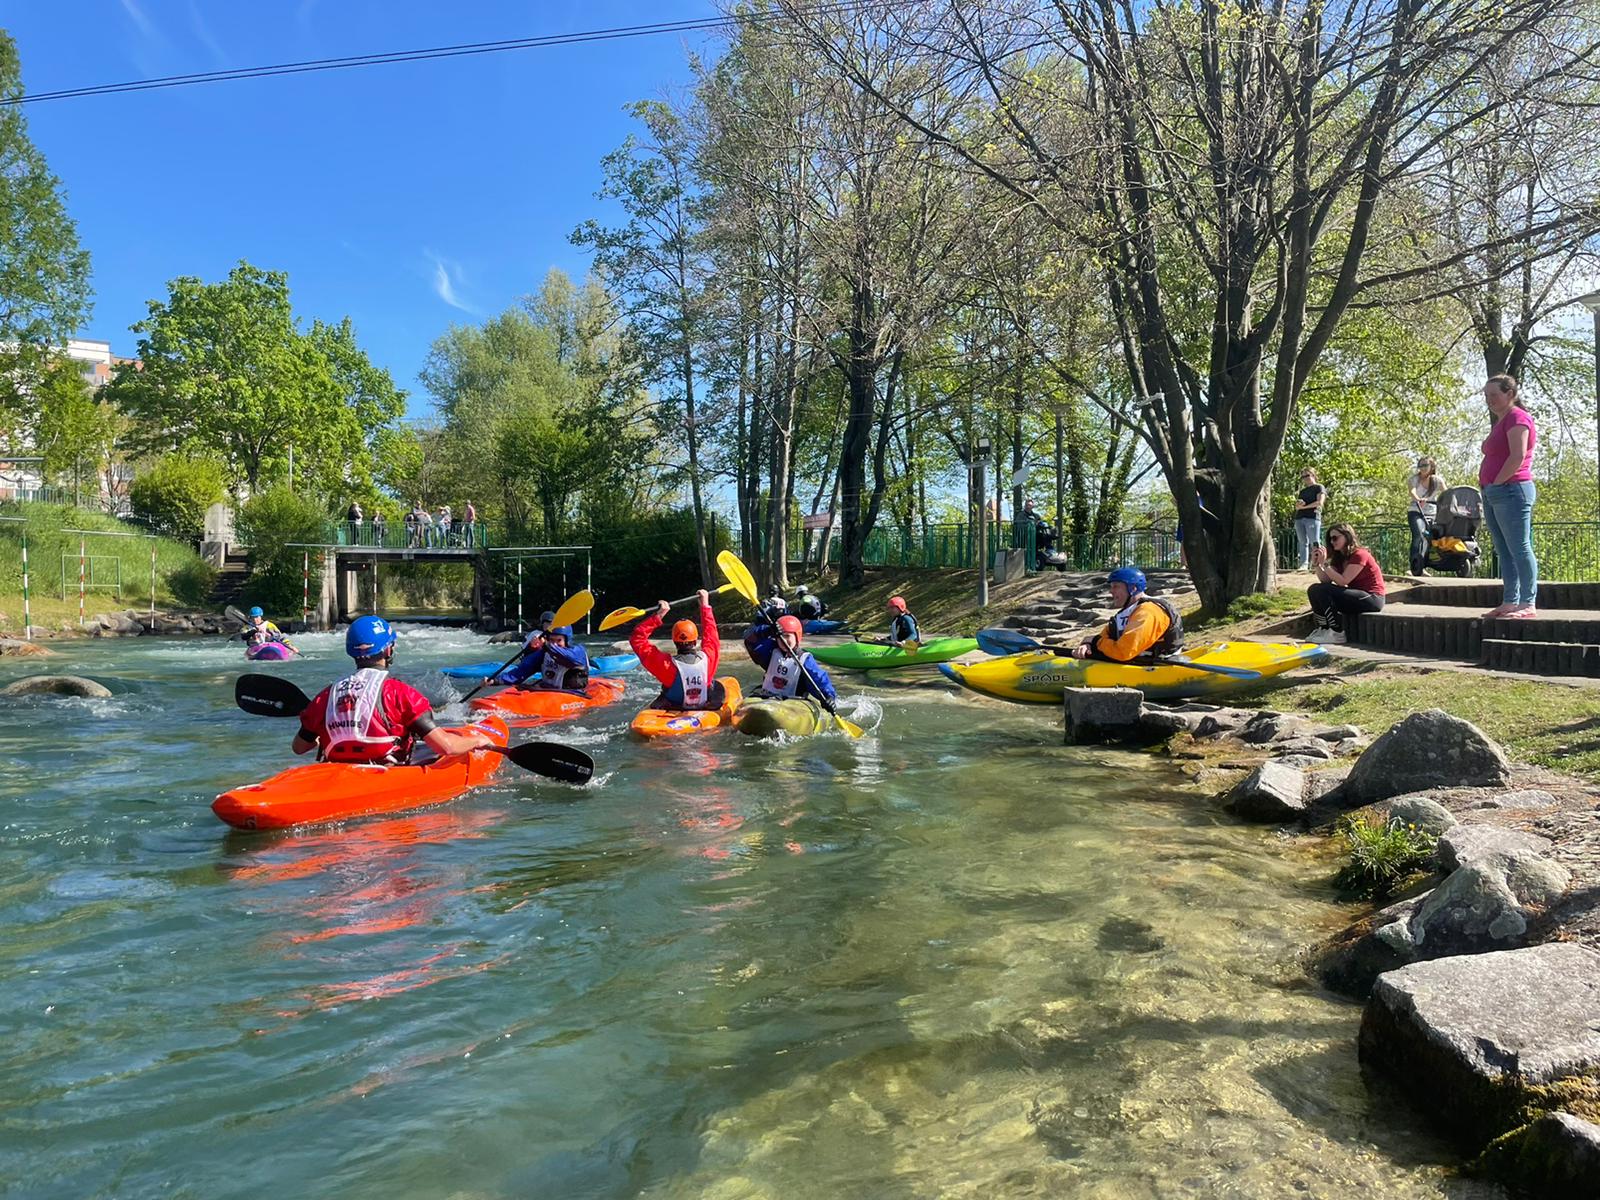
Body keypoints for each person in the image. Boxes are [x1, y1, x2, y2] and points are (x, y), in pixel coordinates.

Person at [293, 615, 493, 764]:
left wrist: (320, 739)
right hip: (386, 771)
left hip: (339, 771)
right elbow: (447, 747)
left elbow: (299, 747)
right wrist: (477, 740)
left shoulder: (326, 696)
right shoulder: (402, 694)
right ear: (388, 650)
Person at [1478, 374, 1538, 618]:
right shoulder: (1502, 421)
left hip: (1512, 490)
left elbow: (1518, 456)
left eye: (1494, 394)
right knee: (1503, 549)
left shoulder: (1517, 417)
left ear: (1510, 394)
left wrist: (1497, 483)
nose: (1489, 400)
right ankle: (1510, 600)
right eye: (1486, 395)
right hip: (1495, 491)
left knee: (1520, 547)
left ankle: (1527, 602)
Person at [629, 589, 724, 710]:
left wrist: (659, 615)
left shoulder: (665, 665)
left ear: (674, 641)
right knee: (717, 687)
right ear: (695, 640)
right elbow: (711, 633)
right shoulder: (709, 658)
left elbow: (636, 639)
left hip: (675, 707)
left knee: (665, 693)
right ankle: (711, 705)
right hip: (703, 706)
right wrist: (705, 605)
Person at [1071, 567, 1183, 662]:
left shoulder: (1149, 612)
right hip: (1137, 664)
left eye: (1116, 586)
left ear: (1133, 589)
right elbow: (1104, 638)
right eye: (1111, 587)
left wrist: (1095, 642)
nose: (1111, 591)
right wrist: (1089, 645)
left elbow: (1124, 652)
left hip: (1157, 667)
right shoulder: (1128, 612)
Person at [1307, 522, 1385, 645]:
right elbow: (1325, 580)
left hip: (1372, 598)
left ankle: (1337, 632)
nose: (1332, 542)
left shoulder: (1360, 554)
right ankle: (1324, 629)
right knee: (1314, 589)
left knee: (1323, 590)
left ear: (1347, 536)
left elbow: (1343, 581)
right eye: (1330, 539)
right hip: (1355, 597)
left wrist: (1325, 565)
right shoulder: (1340, 557)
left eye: (1335, 538)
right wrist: (1317, 564)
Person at [743, 612, 838, 704]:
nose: (783, 640)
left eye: (787, 636)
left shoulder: (804, 659)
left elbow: (819, 679)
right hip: (767, 697)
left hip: (793, 702)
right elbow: (749, 639)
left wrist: (829, 696)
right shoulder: (770, 651)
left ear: (797, 637)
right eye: (780, 637)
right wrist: (767, 630)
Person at [499, 619, 590, 692]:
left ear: (567, 641)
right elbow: (523, 670)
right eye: (552, 640)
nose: (554, 644)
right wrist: (497, 680)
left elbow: (566, 657)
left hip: (571, 693)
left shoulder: (578, 651)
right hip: (547, 690)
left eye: (559, 640)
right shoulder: (544, 653)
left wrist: (547, 645)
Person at [1407, 457, 1446, 576]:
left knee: (1432, 538)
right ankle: (1414, 565)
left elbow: (1446, 493)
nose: (1422, 468)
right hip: (1416, 511)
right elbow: (1412, 491)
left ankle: (1423, 565)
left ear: (1432, 467)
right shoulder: (1414, 479)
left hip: (1432, 512)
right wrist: (1418, 499)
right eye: (1420, 465)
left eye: (1425, 465)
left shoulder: (1437, 480)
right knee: (1419, 534)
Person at [1292, 468, 1327, 571]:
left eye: (1307, 476)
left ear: (1313, 475)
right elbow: (1298, 505)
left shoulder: (1319, 487)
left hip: (1312, 518)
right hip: (1299, 518)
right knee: (1302, 542)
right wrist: (1299, 504)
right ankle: (1304, 564)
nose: (1305, 479)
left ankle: (1319, 564)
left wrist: (1304, 507)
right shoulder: (1302, 491)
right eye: (1303, 477)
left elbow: (1319, 503)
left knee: (1315, 542)